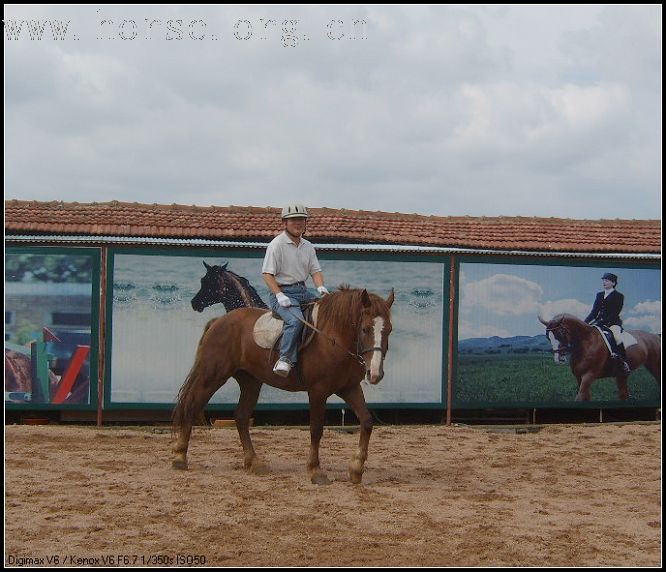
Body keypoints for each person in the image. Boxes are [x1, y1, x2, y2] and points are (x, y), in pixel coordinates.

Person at [262, 204, 329, 377]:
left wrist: (320, 287)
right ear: (285, 222)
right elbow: (267, 275)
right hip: (282, 292)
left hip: (303, 291)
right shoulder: (276, 245)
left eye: (301, 219)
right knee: (296, 320)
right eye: (293, 220)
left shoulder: (308, 246)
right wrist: (279, 294)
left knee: (327, 312)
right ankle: (284, 359)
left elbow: (315, 271)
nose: (298, 223)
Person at [584, 272, 631, 374]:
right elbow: (594, 312)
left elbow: (615, 313)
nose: (604, 282)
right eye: (603, 280)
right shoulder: (599, 295)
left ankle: (623, 361)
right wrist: (584, 323)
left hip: (613, 322)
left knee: (617, 337)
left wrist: (601, 321)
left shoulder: (619, 296)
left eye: (607, 280)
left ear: (613, 283)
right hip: (598, 322)